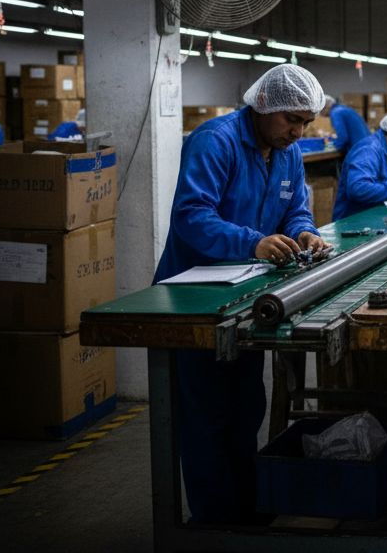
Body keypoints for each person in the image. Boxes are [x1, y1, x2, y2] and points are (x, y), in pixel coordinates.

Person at [153, 64, 332, 524]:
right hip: (197, 295)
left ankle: (245, 509)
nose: (298, 131)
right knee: (206, 414)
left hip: (248, 293)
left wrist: (305, 233)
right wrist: (252, 242)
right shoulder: (216, 141)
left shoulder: (287, 151)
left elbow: (294, 208)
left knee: (245, 406)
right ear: (263, 106)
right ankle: (213, 521)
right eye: (291, 119)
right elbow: (191, 217)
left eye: (306, 123)